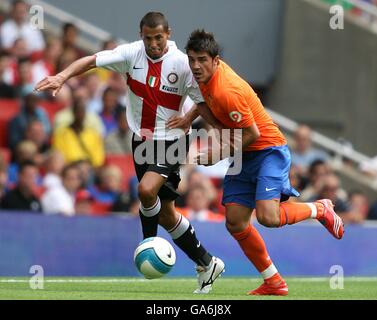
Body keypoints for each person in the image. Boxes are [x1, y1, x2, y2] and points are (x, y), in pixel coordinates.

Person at [35, 12, 224, 294]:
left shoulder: (183, 64)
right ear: (141, 36)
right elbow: (91, 60)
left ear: (168, 34)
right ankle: (207, 262)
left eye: (159, 37)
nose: (154, 43)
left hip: (171, 141)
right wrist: (62, 76)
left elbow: (204, 100)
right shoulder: (130, 54)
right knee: (167, 214)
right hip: (140, 140)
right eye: (148, 38)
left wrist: (192, 121)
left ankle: (147, 246)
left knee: (146, 191)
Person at [172, 29, 345, 296]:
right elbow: (200, 97)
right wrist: (187, 119)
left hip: (268, 150)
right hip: (245, 152)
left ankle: (319, 209)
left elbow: (252, 133)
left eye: (202, 59)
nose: (196, 65)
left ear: (216, 60)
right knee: (236, 221)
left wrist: (216, 155)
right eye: (192, 59)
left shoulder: (228, 91)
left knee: (268, 217)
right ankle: (273, 281)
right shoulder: (203, 75)